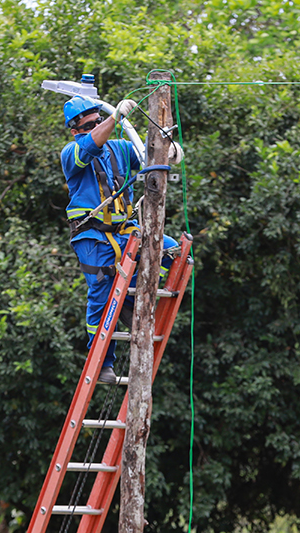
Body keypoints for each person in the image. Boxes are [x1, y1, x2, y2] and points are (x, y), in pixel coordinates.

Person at [59, 95, 183, 383]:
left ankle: (134, 298)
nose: (99, 125)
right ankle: (102, 362)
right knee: (101, 296)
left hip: (125, 230)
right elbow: (89, 147)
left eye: (99, 120)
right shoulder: (72, 153)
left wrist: (171, 152)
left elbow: (148, 156)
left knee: (170, 249)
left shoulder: (119, 149)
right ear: (76, 129)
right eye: (91, 123)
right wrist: (115, 118)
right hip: (93, 236)